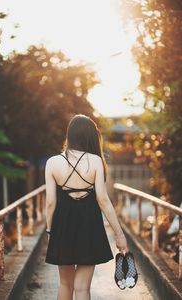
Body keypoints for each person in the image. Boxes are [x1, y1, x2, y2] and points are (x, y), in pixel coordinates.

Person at [44, 114, 128, 300]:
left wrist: (50, 230)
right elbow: (103, 200)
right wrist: (119, 235)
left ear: (70, 135)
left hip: (62, 226)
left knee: (65, 284)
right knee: (82, 289)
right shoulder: (96, 161)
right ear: (90, 136)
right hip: (89, 226)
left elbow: (50, 202)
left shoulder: (52, 162)